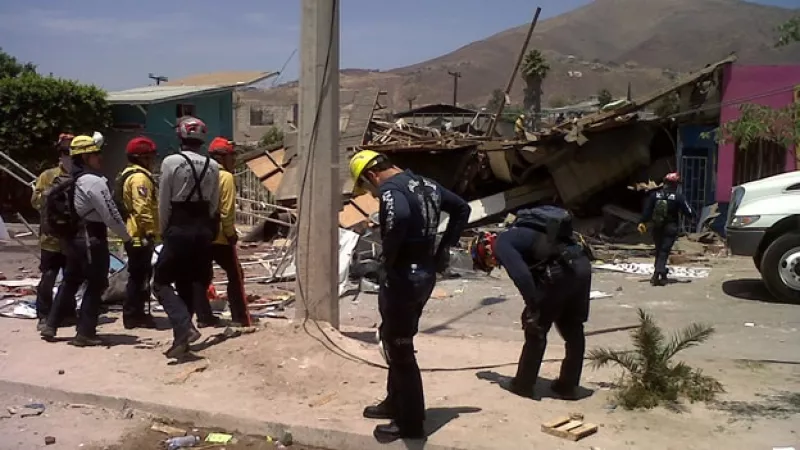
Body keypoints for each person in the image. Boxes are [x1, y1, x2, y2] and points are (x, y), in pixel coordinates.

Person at [349, 150, 471, 443]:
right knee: (394, 337)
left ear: (371, 175)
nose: (373, 194)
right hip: (424, 274)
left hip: (403, 277)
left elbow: (400, 215)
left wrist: (386, 261)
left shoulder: (391, 190)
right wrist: (442, 250)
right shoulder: (427, 184)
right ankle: (394, 402)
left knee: (401, 349)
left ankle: (411, 423)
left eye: (368, 189)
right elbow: (462, 209)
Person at [469, 206, 592, 400]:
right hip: (582, 265)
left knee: (536, 328)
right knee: (573, 328)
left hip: (559, 272)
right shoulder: (523, 232)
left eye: (489, 262)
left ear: (484, 250)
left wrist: (533, 307)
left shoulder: (502, 244)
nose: (494, 264)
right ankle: (567, 386)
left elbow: (522, 276)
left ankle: (523, 385)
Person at [40, 134, 132, 346]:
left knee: (71, 280)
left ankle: (51, 324)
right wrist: (126, 237)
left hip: (73, 239)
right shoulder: (93, 181)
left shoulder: (71, 179)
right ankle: (86, 332)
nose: (100, 158)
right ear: (85, 157)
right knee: (96, 282)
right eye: (95, 154)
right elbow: (111, 214)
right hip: (91, 238)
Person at [153, 116, 221, 358]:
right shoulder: (213, 166)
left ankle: (184, 326)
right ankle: (182, 339)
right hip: (203, 228)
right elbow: (214, 204)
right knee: (191, 283)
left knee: (159, 282)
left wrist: (164, 230)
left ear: (180, 135)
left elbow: (164, 202)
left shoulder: (171, 162)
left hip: (179, 226)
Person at [31, 133, 76, 331]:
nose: (67, 156)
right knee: (49, 277)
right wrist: (52, 196)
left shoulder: (81, 176)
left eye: (71, 152)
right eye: (65, 152)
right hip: (50, 237)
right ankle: (43, 314)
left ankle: (67, 312)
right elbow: (35, 202)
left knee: (71, 277)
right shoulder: (48, 176)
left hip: (72, 237)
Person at [207, 137, 251, 327]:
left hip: (200, 235)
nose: (233, 161)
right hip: (220, 237)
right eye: (232, 157)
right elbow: (227, 211)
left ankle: (203, 316)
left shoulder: (201, 174)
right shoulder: (225, 177)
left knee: (201, 276)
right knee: (235, 274)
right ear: (222, 157)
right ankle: (240, 317)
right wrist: (230, 233)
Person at [117, 136, 160, 329]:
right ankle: (134, 314)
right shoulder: (140, 178)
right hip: (139, 235)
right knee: (139, 275)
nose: (152, 162)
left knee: (139, 274)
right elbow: (142, 208)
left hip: (134, 232)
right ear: (142, 158)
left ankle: (135, 312)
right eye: (150, 157)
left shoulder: (127, 174)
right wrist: (151, 231)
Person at [638, 172, 693, 286]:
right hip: (670, 227)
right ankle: (659, 272)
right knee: (664, 251)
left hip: (657, 227)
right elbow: (689, 212)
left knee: (659, 250)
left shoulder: (655, 195)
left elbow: (647, 210)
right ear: (675, 185)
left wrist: (642, 222)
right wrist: (693, 219)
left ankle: (661, 276)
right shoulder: (678, 197)